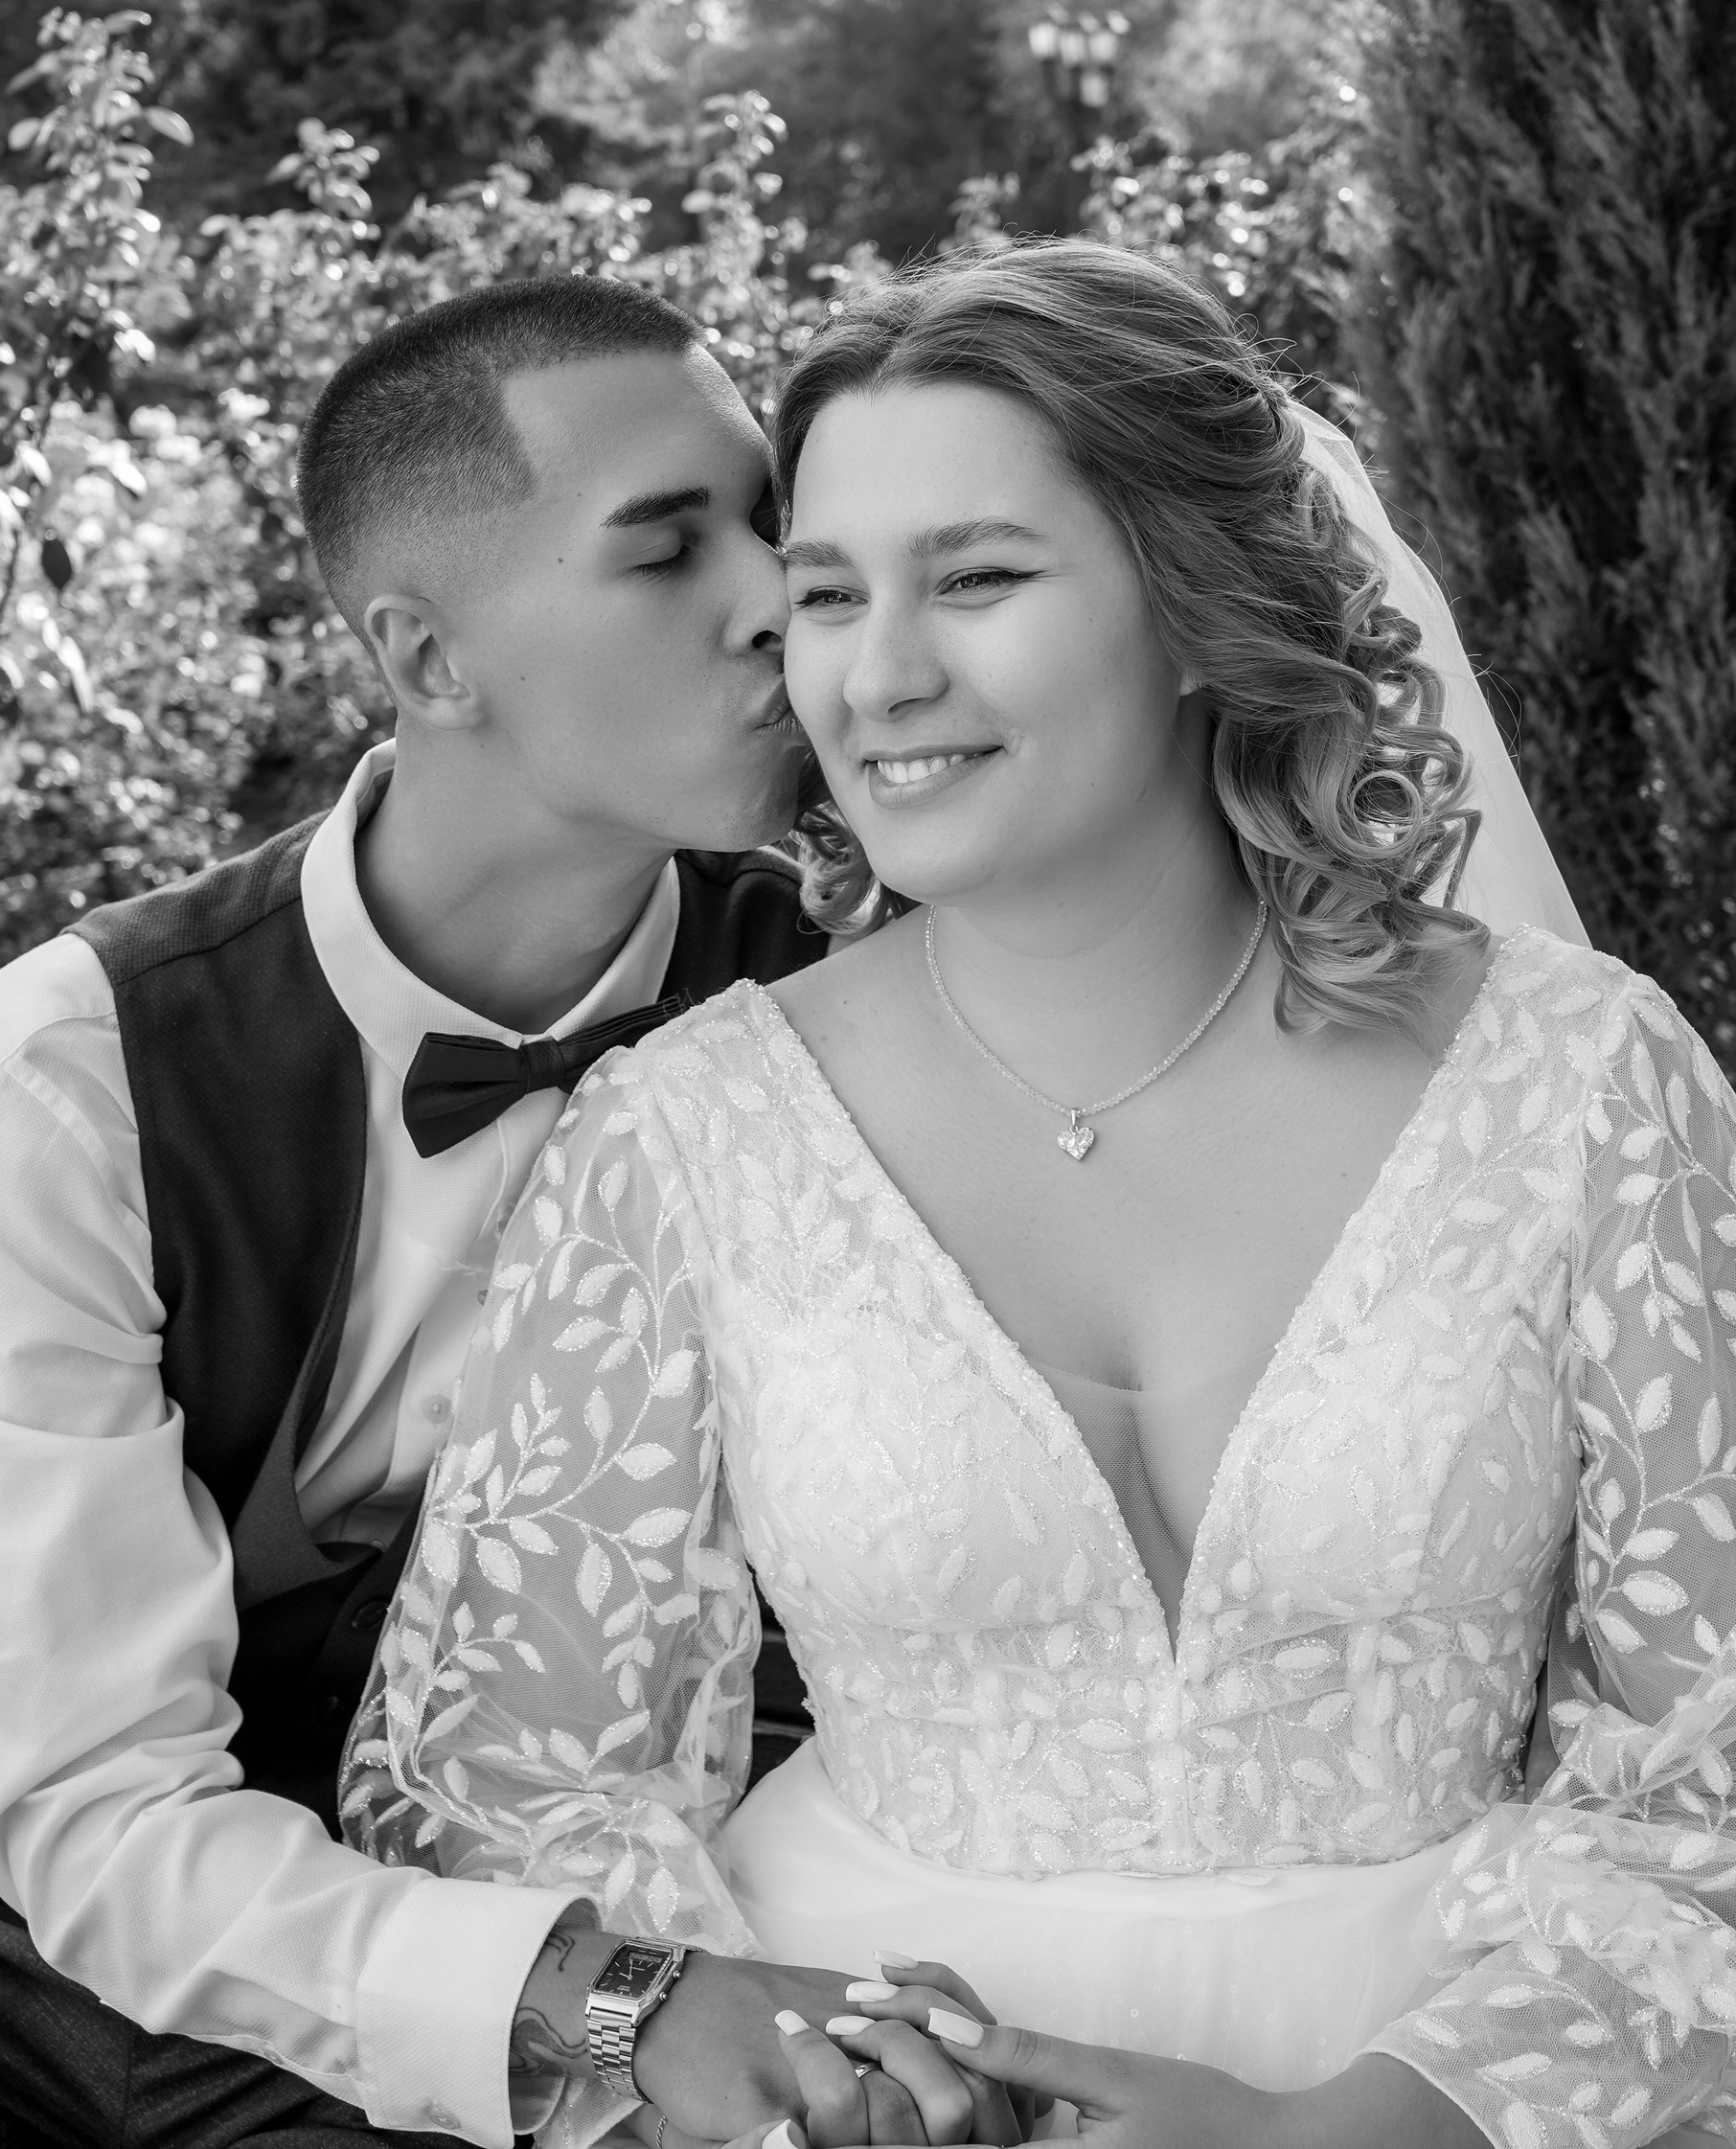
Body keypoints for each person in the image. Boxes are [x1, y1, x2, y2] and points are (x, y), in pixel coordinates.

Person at [347, 243, 1736, 2149]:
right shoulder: (680, 1138)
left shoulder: (1585, 1086)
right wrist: (786, 2088)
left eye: (980, 578)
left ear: (1199, 602)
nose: (880, 674)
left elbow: (1711, 1769)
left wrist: (1370, 2125)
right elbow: (505, 1791)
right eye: (828, 594)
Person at [0, 277, 946, 2149]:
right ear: (430, 658)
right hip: (8, 1936)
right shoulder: (65, 1069)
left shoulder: (851, 1003)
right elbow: (94, 1804)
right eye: (665, 550)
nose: (774, 602)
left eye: (770, 526)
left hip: (634, 1873)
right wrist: (604, 2004)